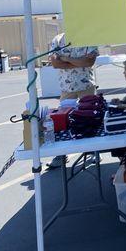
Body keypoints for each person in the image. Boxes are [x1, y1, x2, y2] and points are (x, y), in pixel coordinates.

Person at [47, 32, 99, 168]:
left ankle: (93, 150)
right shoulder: (57, 40)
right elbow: (55, 63)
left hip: (86, 85)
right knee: (62, 120)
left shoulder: (88, 38)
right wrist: (78, 62)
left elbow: (89, 62)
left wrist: (65, 58)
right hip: (67, 87)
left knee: (91, 118)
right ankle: (61, 154)